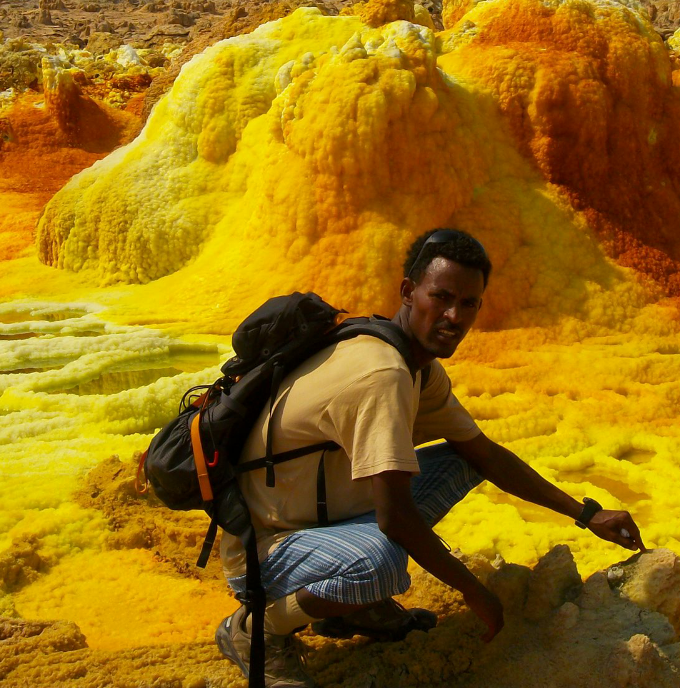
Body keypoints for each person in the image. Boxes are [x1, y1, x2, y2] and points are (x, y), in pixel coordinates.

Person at [215, 228, 645, 687]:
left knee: (462, 461)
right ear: (407, 291)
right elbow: (396, 518)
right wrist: (475, 594)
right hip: (266, 549)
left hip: (323, 520)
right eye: (440, 297)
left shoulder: (417, 367)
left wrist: (587, 513)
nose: (453, 316)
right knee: (378, 564)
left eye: (468, 303)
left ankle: (354, 606)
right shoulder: (381, 373)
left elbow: (487, 455)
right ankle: (258, 627)